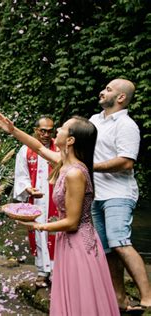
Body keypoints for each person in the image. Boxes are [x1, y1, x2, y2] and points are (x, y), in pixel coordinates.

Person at [0, 112, 119, 316]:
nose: (57, 130)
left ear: (70, 140)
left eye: (61, 128)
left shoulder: (75, 173)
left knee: (81, 299)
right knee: (70, 296)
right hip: (67, 243)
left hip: (78, 245)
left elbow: (71, 222)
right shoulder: (64, 163)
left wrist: (38, 226)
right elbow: (39, 148)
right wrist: (13, 130)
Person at [90, 78, 150, 313]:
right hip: (96, 194)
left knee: (120, 243)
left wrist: (90, 166)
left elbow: (126, 162)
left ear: (121, 97)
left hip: (119, 194)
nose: (102, 92)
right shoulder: (95, 120)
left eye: (108, 89)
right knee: (106, 249)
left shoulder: (127, 125)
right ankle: (119, 299)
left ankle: (148, 298)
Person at [13, 115, 58, 288]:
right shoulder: (25, 150)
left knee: (56, 233)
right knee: (38, 233)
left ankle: (58, 271)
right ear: (35, 131)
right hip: (37, 200)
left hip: (56, 199)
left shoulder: (59, 148)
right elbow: (21, 175)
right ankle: (42, 272)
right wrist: (27, 189)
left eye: (50, 131)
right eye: (43, 131)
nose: (47, 134)